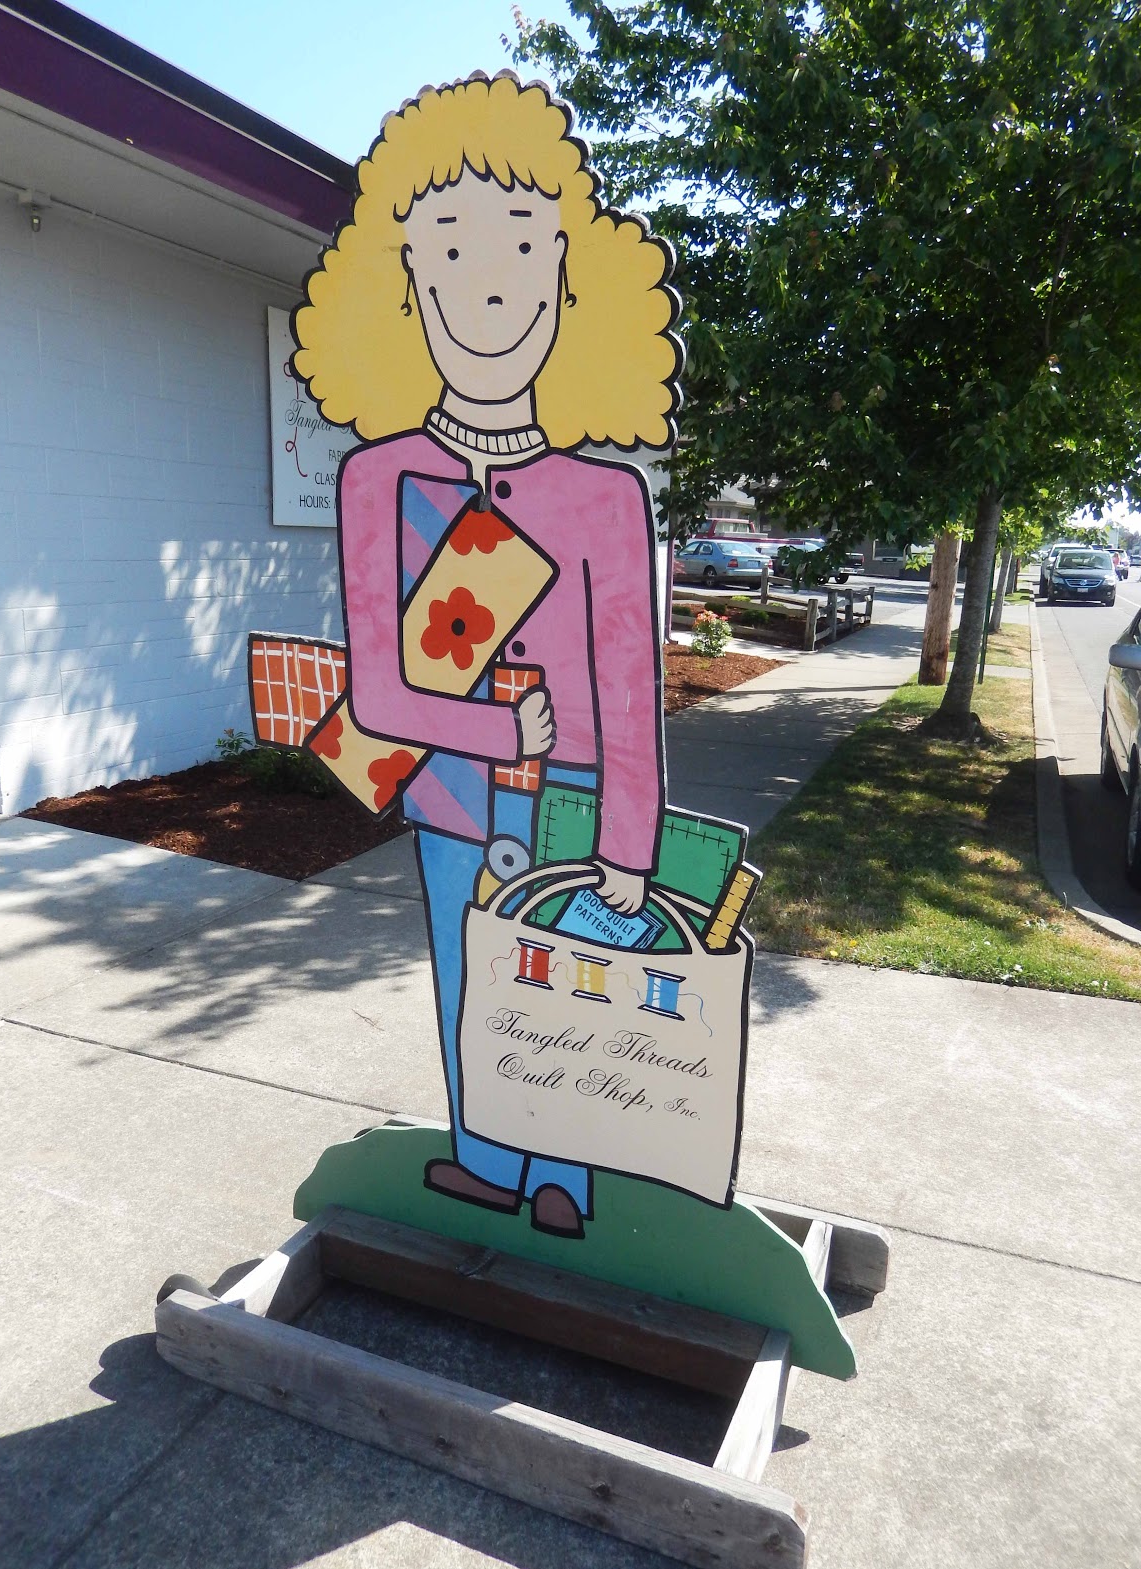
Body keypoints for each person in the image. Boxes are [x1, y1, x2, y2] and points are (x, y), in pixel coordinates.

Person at [293, 71, 682, 1236]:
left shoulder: (604, 496)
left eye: (519, 241)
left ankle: (566, 1181)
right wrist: (494, 725)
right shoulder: (381, 478)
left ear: (568, 272)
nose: (489, 283)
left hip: (571, 802)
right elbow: (380, 688)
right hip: (456, 792)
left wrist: (628, 842)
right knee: (471, 984)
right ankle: (487, 1160)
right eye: (451, 250)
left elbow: (629, 690)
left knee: (567, 993)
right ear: (406, 282)